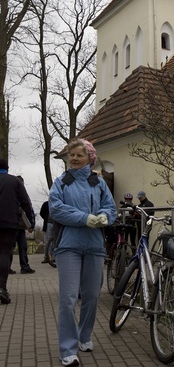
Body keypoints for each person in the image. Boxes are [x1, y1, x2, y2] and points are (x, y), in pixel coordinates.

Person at [49, 138, 117, 367]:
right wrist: (85, 218)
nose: (74, 158)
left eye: (79, 155)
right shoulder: (61, 182)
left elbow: (110, 207)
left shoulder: (98, 183)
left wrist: (106, 216)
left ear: (90, 158)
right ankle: (68, 349)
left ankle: (84, 336)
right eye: (71, 155)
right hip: (68, 246)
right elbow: (56, 209)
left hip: (95, 247)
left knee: (91, 295)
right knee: (68, 299)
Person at [0, 159, 35, 304]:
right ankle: (2, 288)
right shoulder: (15, 182)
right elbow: (26, 202)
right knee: (4, 253)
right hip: (9, 223)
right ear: (7, 168)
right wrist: (31, 222)